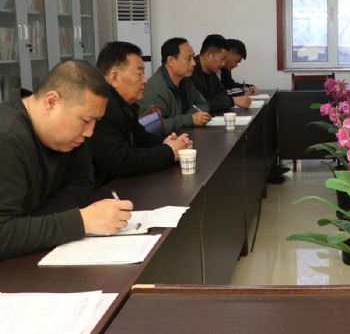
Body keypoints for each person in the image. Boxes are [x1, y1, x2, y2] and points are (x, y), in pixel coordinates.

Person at [0, 60, 133, 259]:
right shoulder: (7, 139)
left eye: (96, 121)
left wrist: (33, 225)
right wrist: (81, 222)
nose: (89, 132)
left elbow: (81, 183)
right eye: (86, 120)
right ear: (51, 102)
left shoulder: (70, 138)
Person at [88, 42, 193, 189]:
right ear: (114, 78)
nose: (145, 80)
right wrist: (168, 152)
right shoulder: (101, 109)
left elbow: (141, 137)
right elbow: (122, 161)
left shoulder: (123, 105)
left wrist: (169, 143)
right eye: (139, 73)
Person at [140, 37, 211, 134]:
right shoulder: (154, 89)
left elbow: (203, 103)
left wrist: (192, 116)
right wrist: (189, 119)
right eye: (188, 59)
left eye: (193, 58)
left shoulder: (185, 81)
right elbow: (153, 127)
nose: (194, 63)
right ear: (171, 61)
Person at [191, 34, 251, 111]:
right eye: (222, 59)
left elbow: (223, 94)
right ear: (209, 55)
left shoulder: (211, 70)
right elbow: (198, 105)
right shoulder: (191, 70)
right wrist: (232, 101)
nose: (223, 64)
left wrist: (227, 100)